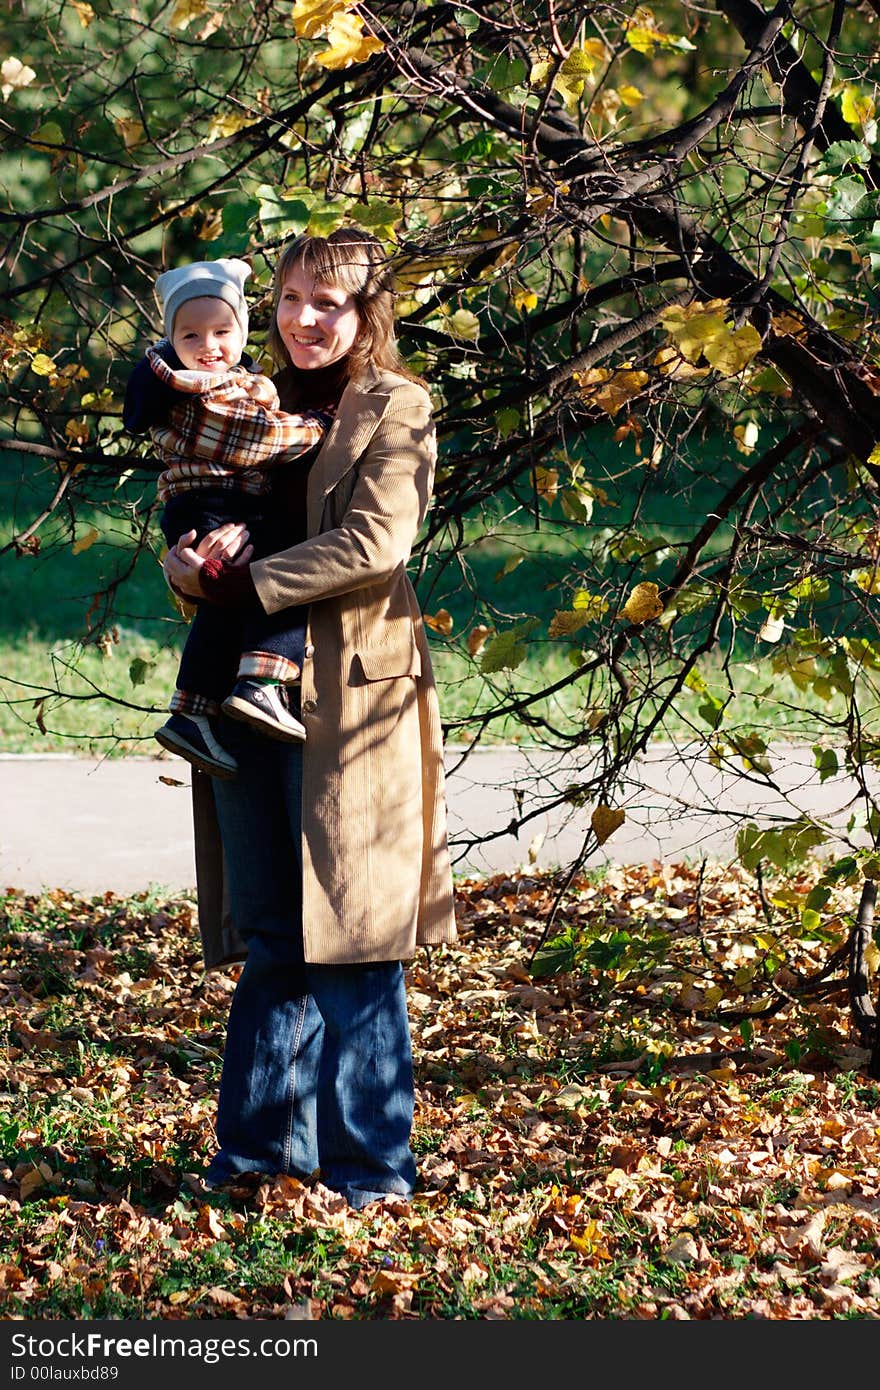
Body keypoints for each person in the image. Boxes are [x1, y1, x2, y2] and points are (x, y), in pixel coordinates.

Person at [161, 227, 458, 1209]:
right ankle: (254, 1163)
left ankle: (371, 1174)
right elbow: (196, 506)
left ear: (366, 313)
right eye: (288, 299)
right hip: (244, 695)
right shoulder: (247, 395)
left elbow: (376, 541)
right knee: (273, 933)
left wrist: (244, 586)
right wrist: (185, 569)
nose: (301, 319)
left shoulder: (396, 405)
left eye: (325, 303)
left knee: (356, 934)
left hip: (349, 695)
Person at [123, 257, 337, 779]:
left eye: (222, 331)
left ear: (242, 330)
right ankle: (260, 682)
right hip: (208, 502)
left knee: (224, 601)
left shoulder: (237, 381)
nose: (209, 346)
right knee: (278, 571)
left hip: (219, 503)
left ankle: (193, 711)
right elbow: (255, 441)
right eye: (191, 334)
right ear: (170, 340)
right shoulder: (192, 389)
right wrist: (319, 425)